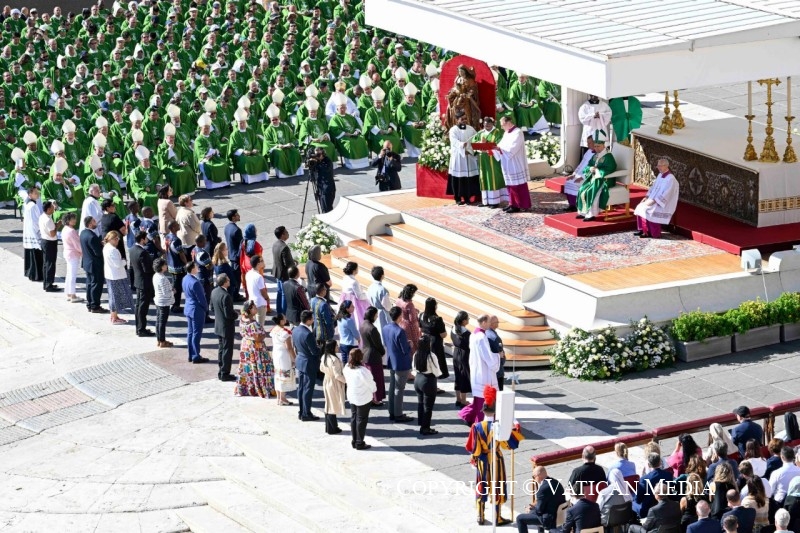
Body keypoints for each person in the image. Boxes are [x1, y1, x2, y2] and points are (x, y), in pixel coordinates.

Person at [466, 385, 524, 526]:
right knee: (497, 487)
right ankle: (497, 517)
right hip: (496, 459)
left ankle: (480, 515)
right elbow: (508, 445)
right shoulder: (500, 426)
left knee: (481, 486)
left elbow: (472, 447)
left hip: (482, 460)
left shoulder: (477, 426)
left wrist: (476, 458)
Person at [460, 315, 500, 426]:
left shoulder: (473, 334)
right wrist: (497, 356)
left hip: (476, 371)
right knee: (484, 401)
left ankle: (468, 416)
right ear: (483, 322)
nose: (490, 324)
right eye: (488, 322)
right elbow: (487, 357)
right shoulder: (482, 337)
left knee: (478, 401)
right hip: (484, 374)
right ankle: (482, 423)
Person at [235, 300, 275, 398]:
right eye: (254, 307)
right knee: (259, 367)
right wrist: (264, 334)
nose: (256, 309)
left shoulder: (242, 320)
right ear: (249, 310)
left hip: (245, 346)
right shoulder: (253, 324)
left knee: (247, 367)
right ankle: (261, 387)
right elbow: (259, 337)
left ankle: (247, 387)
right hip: (256, 348)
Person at [576, 130, 617, 222]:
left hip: (605, 180)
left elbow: (611, 168)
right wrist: (590, 169)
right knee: (582, 189)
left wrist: (597, 170)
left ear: (604, 145)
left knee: (591, 190)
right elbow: (589, 165)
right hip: (594, 178)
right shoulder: (596, 155)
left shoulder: (608, 157)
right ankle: (583, 212)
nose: (597, 148)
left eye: (598, 146)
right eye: (595, 146)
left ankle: (591, 214)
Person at [633, 159, 680, 239]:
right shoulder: (660, 175)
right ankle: (643, 230)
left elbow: (667, 194)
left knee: (647, 210)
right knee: (640, 206)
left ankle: (652, 233)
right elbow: (653, 187)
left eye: (660, 166)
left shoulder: (671, 179)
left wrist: (654, 201)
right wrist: (647, 197)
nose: (658, 167)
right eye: (658, 165)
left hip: (662, 203)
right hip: (652, 200)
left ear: (666, 166)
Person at [492, 116, 531, 213]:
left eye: (502, 125)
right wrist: (493, 148)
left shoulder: (518, 132)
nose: (501, 128)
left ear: (508, 123)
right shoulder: (506, 133)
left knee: (518, 185)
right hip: (507, 162)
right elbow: (501, 145)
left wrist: (499, 149)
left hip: (515, 162)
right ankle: (512, 203)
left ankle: (520, 205)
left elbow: (512, 148)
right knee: (510, 185)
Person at [383, 306, 414, 423]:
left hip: (391, 360)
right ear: (399, 316)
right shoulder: (400, 331)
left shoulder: (386, 327)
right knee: (399, 389)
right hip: (401, 363)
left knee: (392, 387)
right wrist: (409, 344)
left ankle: (392, 411)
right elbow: (405, 349)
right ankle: (398, 414)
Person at [343, 348, 377, 451]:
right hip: (363, 397)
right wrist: (373, 390)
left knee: (354, 417)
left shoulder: (346, 368)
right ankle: (359, 442)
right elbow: (371, 384)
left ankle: (354, 440)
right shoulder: (363, 371)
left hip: (352, 395)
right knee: (361, 420)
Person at [515, 466, 566, 533]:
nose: (534, 479)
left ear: (538, 476)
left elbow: (539, 511)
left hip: (549, 519)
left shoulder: (542, 490)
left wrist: (531, 509)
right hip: (561, 515)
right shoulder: (556, 482)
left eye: (533, 477)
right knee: (533, 511)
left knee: (520, 518)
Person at [446, 110, 480, 206]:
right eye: (462, 119)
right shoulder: (453, 130)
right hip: (458, 157)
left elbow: (475, 140)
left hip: (469, 156)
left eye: (465, 118)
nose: (464, 120)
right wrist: (462, 145)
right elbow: (454, 141)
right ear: (457, 120)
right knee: (459, 178)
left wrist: (469, 150)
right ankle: (457, 198)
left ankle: (468, 197)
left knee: (468, 178)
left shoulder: (471, 129)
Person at [472, 117, 507, 208]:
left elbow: (500, 145)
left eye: (488, 124)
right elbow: (474, 142)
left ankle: (494, 201)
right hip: (482, 159)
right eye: (485, 124)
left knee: (492, 178)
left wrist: (487, 146)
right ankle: (485, 201)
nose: (486, 126)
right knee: (483, 178)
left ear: (493, 124)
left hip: (492, 159)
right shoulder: (480, 133)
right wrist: (479, 143)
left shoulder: (497, 133)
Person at [293, 310, 322, 421]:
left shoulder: (295, 330)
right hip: (309, 363)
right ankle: (306, 413)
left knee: (301, 388)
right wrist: (320, 348)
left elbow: (295, 345)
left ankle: (302, 411)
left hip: (300, 361)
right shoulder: (308, 334)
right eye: (312, 318)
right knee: (308, 389)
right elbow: (314, 351)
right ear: (308, 320)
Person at [413, 335, 442, 436]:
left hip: (418, 379)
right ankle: (425, 428)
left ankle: (421, 422)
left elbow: (414, 367)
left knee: (420, 403)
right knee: (428, 406)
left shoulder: (416, 353)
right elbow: (437, 371)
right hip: (428, 380)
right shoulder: (431, 355)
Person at [103, 231, 133, 325]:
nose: (118, 240)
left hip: (111, 275)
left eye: (118, 239)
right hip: (116, 276)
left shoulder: (106, 247)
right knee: (115, 297)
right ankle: (114, 317)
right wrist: (124, 261)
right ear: (111, 239)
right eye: (116, 239)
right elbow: (118, 264)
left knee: (113, 296)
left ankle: (114, 316)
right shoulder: (112, 250)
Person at [211, 274, 237, 382]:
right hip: (226, 327)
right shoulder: (226, 296)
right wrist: (236, 314)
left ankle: (221, 370)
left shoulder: (214, 291)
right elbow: (229, 314)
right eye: (228, 279)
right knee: (227, 350)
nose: (229, 280)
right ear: (224, 282)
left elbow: (212, 308)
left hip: (218, 326)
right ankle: (225, 373)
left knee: (221, 349)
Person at [183, 261, 210, 364]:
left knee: (190, 332)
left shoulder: (185, 278)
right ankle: (196, 356)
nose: (197, 267)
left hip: (189, 308)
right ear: (192, 269)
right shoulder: (195, 282)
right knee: (196, 333)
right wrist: (205, 308)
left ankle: (191, 354)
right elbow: (202, 298)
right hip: (196, 310)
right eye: (196, 266)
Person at [129, 231, 155, 337]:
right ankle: (141, 329)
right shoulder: (142, 252)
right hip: (145, 283)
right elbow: (147, 269)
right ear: (142, 239)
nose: (147, 240)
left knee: (139, 306)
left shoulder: (132, 249)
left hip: (138, 281)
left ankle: (139, 328)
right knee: (143, 307)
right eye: (146, 238)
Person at [634, 453, 675, 519]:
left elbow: (638, 499)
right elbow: (671, 491)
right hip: (665, 506)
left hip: (648, 510)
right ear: (660, 462)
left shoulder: (644, 479)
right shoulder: (668, 475)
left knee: (633, 503)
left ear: (649, 465)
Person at [360, 306, 386, 406]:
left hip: (365, 354)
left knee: (368, 378)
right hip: (373, 356)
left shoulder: (363, 324)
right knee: (376, 379)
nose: (376, 317)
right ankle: (375, 399)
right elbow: (378, 344)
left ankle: (370, 397)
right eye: (376, 315)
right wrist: (382, 352)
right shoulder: (372, 328)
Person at [80, 216, 107, 314]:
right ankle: (95, 306)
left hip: (87, 263)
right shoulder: (92, 236)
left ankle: (90, 304)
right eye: (94, 221)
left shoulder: (83, 233)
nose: (96, 223)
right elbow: (98, 253)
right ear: (90, 224)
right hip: (95, 264)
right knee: (96, 285)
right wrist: (102, 245)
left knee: (90, 284)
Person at [419, 297, 449, 386]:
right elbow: (443, 334)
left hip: (425, 340)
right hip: (435, 343)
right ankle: (434, 385)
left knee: (427, 363)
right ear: (434, 306)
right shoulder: (437, 319)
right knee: (435, 363)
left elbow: (420, 328)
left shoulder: (421, 315)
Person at [320, 339, 347, 435]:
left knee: (329, 404)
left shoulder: (324, 357)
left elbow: (321, 369)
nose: (338, 347)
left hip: (327, 380)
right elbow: (337, 375)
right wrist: (347, 381)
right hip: (334, 383)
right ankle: (332, 428)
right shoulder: (334, 359)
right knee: (333, 405)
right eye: (336, 346)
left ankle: (330, 427)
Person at [563, 136, 596, 212]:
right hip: (579, 174)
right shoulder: (588, 152)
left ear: (595, 143)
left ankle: (578, 205)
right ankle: (572, 205)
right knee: (568, 182)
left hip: (588, 177)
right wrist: (574, 174)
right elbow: (581, 164)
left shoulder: (597, 154)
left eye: (590, 143)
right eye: (587, 143)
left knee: (574, 183)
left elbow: (592, 169)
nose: (588, 145)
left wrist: (582, 177)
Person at [270, 314, 296, 406]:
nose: (286, 319)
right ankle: (283, 398)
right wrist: (294, 358)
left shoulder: (274, 329)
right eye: (284, 318)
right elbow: (289, 348)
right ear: (281, 321)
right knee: (284, 376)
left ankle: (279, 398)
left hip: (276, 354)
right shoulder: (285, 332)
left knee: (278, 375)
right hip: (283, 355)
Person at [272, 226, 296, 316]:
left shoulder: (275, 244)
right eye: (286, 232)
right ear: (282, 235)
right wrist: (294, 265)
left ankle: (279, 312)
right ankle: (284, 315)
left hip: (277, 272)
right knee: (284, 295)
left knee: (279, 292)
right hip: (284, 274)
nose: (288, 233)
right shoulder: (284, 247)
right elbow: (288, 264)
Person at [39, 200, 62, 292]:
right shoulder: (48, 220)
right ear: (48, 209)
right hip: (50, 242)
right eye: (52, 207)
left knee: (46, 263)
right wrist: (58, 226)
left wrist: (55, 225)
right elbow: (52, 234)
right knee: (50, 264)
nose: (54, 208)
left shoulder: (43, 217)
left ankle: (47, 283)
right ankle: (49, 285)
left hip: (45, 241)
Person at [165, 221, 188, 313]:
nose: (179, 226)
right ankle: (176, 305)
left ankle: (174, 303)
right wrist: (186, 263)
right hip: (178, 266)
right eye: (177, 225)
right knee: (178, 287)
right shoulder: (176, 240)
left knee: (174, 285)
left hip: (171, 264)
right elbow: (181, 254)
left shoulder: (168, 237)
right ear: (173, 228)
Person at [22, 187, 44, 283]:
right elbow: (35, 221)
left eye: (37, 192)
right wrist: (41, 230)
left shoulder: (28, 204)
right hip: (34, 232)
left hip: (28, 232)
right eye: (35, 193)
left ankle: (31, 273)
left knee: (31, 253)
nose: (37, 194)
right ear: (30, 195)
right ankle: (36, 275)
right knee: (36, 253)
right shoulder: (33, 206)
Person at [451, 311, 472, 408]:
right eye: (468, 319)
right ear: (464, 321)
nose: (468, 320)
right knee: (464, 376)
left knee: (458, 376)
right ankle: (463, 400)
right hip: (464, 355)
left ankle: (458, 399)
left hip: (456, 353)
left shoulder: (453, 328)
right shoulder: (466, 333)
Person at [61, 212, 83, 303]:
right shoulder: (71, 231)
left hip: (68, 253)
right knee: (72, 275)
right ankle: (73, 295)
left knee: (69, 274)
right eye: (72, 219)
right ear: (68, 221)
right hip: (73, 254)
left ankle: (69, 293)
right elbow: (77, 245)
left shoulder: (65, 229)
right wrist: (83, 253)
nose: (74, 220)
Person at [224, 210, 245, 302]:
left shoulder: (227, 227)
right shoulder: (237, 230)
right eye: (237, 215)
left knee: (234, 274)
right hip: (236, 256)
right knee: (237, 276)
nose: (239, 216)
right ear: (233, 217)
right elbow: (241, 244)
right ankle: (235, 294)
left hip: (231, 255)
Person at [152, 258, 174, 348]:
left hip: (158, 300)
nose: (166, 266)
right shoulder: (162, 278)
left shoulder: (156, 275)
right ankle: (162, 341)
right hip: (164, 302)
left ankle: (159, 339)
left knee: (158, 321)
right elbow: (166, 293)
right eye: (165, 264)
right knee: (162, 322)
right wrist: (173, 291)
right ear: (161, 267)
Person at [340, 261, 369, 328]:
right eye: (357, 268)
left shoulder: (345, 278)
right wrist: (367, 295)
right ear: (354, 270)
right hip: (353, 302)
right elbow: (359, 296)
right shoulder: (354, 282)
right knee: (358, 319)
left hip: (345, 299)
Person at [395, 284, 421, 355]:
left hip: (401, 323)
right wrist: (416, 312)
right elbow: (412, 319)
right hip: (410, 327)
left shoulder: (398, 299)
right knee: (414, 344)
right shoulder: (409, 304)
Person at [239, 224, 263, 300]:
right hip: (254, 267)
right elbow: (259, 258)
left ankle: (249, 300)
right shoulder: (256, 245)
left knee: (248, 286)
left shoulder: (243, 242)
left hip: (245, 265)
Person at [245, 255, 270, 328]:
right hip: (260, 304)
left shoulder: (248, 274)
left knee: (253, 324)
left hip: (252, 302)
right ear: (258, 264)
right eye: (262, 261)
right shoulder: (258, 277)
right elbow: (263, 291)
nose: (264, 262)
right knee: (259, 326)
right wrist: (267, 299)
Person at [310, 147, 337, 213]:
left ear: (323, 154)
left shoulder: (327, 161)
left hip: (327, 189)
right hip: (320, 188)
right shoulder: (318, 162)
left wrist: (317, 162)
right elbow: (314, 171)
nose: (317, 156)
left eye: (319, 155)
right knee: (323, 208)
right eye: (316, 155)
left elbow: (324, 170)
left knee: (327, 209)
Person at [310, 283, 336, 347]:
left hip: (316, 329)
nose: (326, 290)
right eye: (325, 289)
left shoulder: (312, 300)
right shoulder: (323, 304)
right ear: (321, 291)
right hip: (324, 333)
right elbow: (328, 321)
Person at [336, 300, 360, 365]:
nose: (354, 307)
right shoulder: (349, 320)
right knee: (353, 363)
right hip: (351, 344)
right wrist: (359, 339)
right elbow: (355, 332)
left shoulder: (339, 318)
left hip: (342, 343)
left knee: (345, 362)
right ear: (347, 309)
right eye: (352, 306)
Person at [157, 185, 177, 250]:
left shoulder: (160, 200)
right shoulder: (168, 202)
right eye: (170, 190)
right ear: (166, 192)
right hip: (169, 227)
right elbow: (175, 215)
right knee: (168, 246)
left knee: (164, 243)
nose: (172, 191)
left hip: (162, 226)